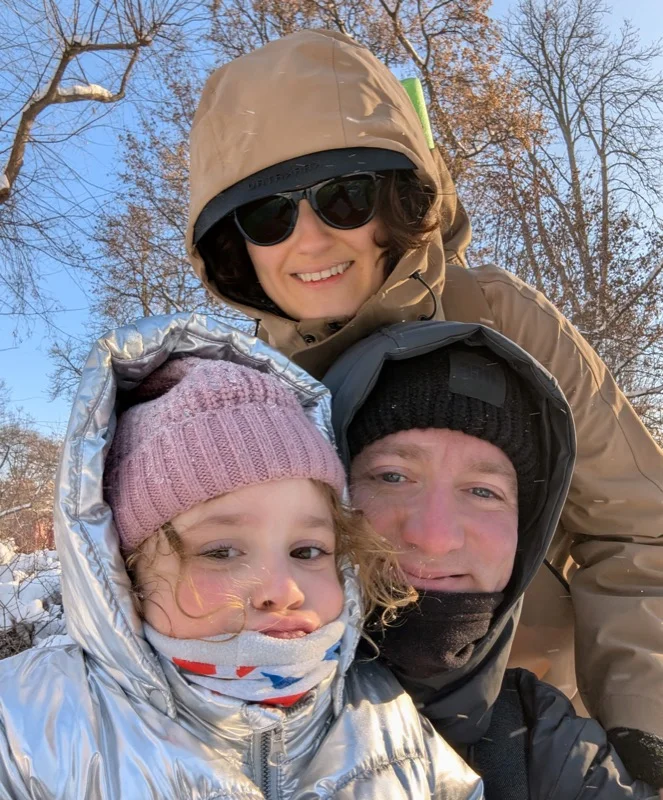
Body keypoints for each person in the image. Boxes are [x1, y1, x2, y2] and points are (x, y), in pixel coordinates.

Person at [185, 29, 663, 787]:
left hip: (539, 721)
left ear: (397, 202)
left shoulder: (502, 317)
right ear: (233, 246)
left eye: (343, 198)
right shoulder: (244, 391)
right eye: (268, 216)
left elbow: (637, 525)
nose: (310, 241)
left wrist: (641, 725)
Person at [0, 314, 483, 799]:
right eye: (221, 553)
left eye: (307, 550)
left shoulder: (391, 723)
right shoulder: (27, 725)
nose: (283, 591)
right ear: (127, 573)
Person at [322, 319, 657, 799]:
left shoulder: (554, 753)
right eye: (392, 476)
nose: (435, 538)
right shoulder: (215, 718)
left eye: (483, 491)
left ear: (526, 533)